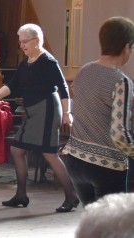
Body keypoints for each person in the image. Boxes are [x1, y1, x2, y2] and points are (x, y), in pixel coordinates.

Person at [0, 23, 78, 212]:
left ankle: (71, 196)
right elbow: (13, 84)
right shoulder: (26, 62)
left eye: (24, 42)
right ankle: (21, 194)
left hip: (48, 110)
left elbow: (63, 88)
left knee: (49, 154)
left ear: (36, 41)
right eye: (20, 42)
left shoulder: (48, 61)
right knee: (17, 149)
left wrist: (68, 113)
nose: (21, 45)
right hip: (34, 112)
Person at [63, 16, 134, 206]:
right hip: (105, 166)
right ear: (127, 47)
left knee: (93, 223)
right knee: (111, 229)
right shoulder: (121, 82)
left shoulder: (84, 71)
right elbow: (119, 133)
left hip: (75, 160)